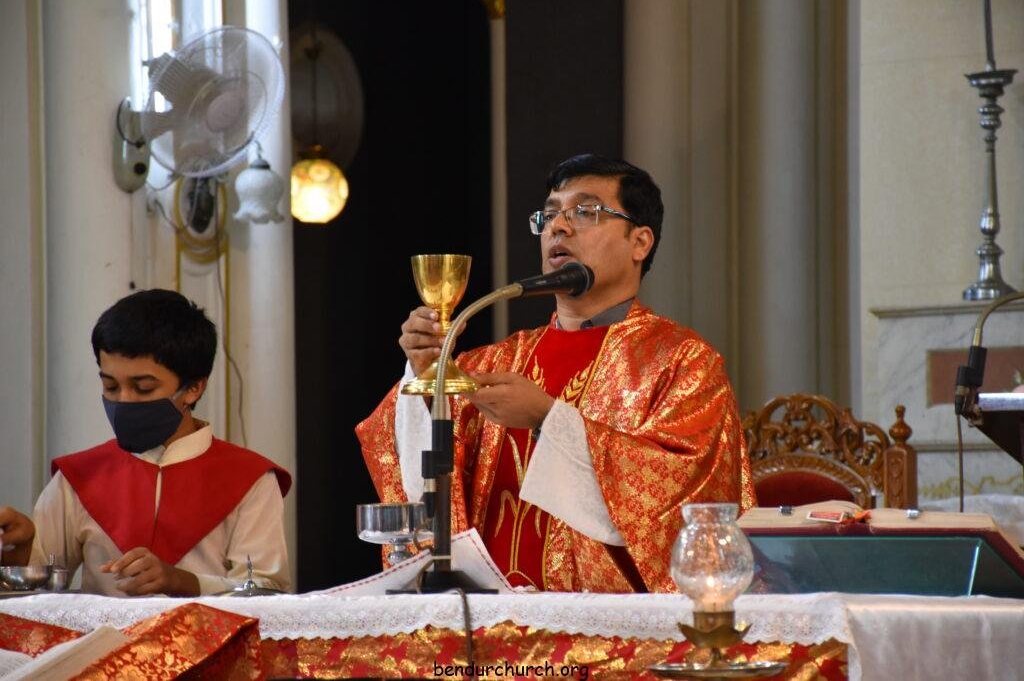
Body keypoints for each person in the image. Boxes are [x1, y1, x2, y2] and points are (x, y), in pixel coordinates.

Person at [357, 154, 754, 593]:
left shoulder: (682, 362)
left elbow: (683, 497)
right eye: (548, 215)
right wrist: (424, 374)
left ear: (640, 242)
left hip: (606, 625)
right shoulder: (493, 363)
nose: (558, 227)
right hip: (487, 621)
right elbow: (411, 474)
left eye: (585, 211)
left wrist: (547, 419)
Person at [0, 289, 291, 596]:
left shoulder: (249, 479)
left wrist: (184, 582)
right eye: (111, 386)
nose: (124, 401)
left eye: (143, 388)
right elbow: (37, 595)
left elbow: (266, 591)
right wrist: (20, 548)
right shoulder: (78, 477)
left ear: (193, 387)